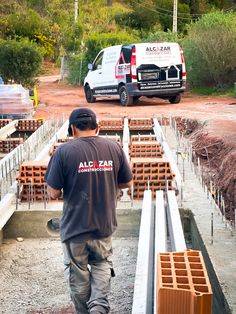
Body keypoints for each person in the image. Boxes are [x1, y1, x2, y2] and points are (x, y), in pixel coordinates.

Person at [45, 108, 133, 314]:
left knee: (78, 273)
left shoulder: (63, 152)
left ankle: (85, 312)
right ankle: (99, 308)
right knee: (102, 263)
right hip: (104, 224)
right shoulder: (114, 147)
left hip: (75, 227)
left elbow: (53, 193)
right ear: (97, 127)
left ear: (73, 129)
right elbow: (127, 182)